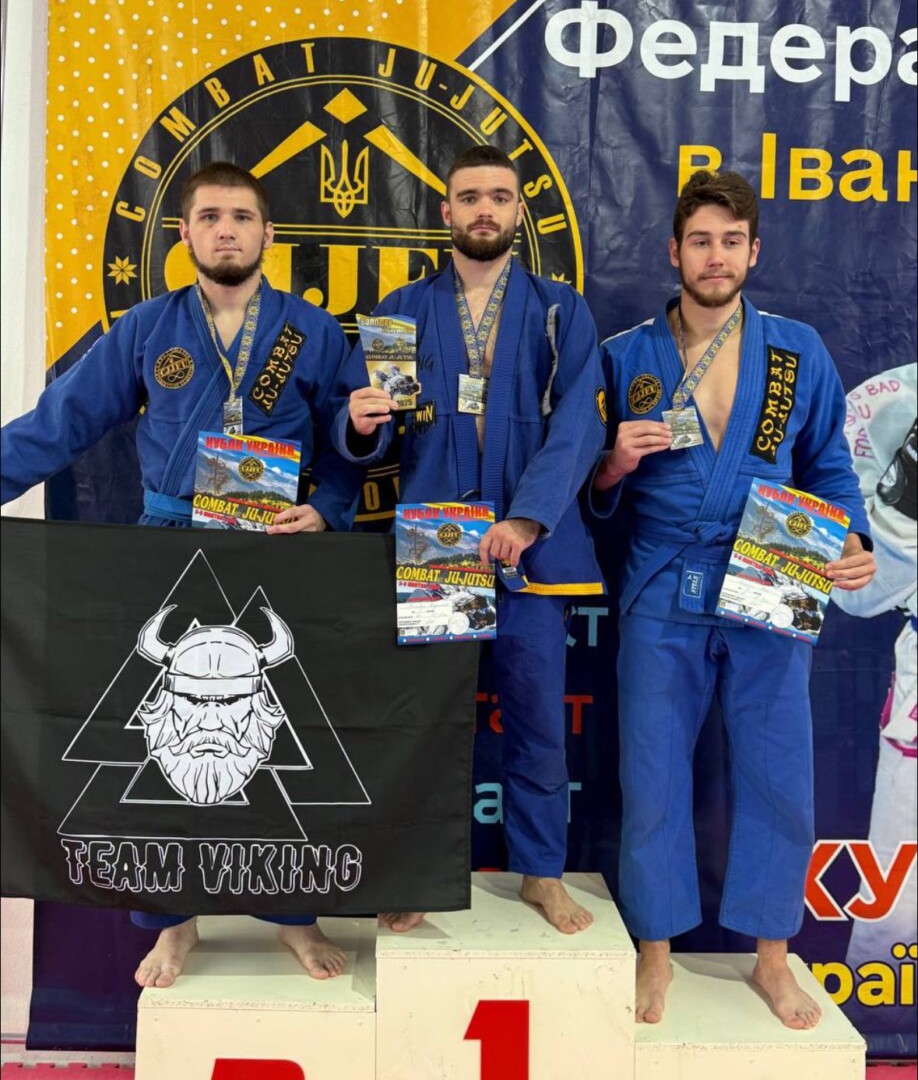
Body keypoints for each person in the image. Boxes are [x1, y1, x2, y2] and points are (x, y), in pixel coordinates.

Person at [1, 160, 365, 986]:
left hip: (274, 547)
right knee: (159, 742)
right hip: (168, 543)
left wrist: (330, 506)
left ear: (269, 233)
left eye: (241, 216)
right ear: (185, 234)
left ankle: (294, 916)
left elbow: (350, 436)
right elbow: (61, 422)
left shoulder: (313, 330)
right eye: (210, 217)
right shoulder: (146, 328)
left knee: (276, 735)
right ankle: (172, 924)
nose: (226, 230)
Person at [592, 169, 876, 1028]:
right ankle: (654, 952)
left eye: (730, 241)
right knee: (652, 776)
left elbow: (827, 465)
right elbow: (593, 493)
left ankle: (772, 957)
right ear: (673, 251)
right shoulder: (627, 355)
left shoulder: (797, 351)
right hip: (662, 580)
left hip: (772, 571)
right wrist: (614, 463)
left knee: (777, 773)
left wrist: (852, 536)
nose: (714, 257)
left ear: (754, 251)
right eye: (700, 241)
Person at [334, 144, 607, 934]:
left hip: (530, 547)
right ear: (446, 210)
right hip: (437, 544)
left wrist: (527, 517)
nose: (484, 209)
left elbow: (580, 424)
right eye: (469, 197)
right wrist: (359, 425)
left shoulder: (559, 310)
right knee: (428, 725)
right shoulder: (402, 311)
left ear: (518, 210)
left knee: (539, 723)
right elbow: (370, 437)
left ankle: (542, 874)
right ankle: (419, 871)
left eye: (499, 196)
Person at [831, 364, 916, 976]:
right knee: (901, 872)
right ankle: (881, 1000)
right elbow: (855, 595)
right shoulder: (892, 402)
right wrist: (904, 504)